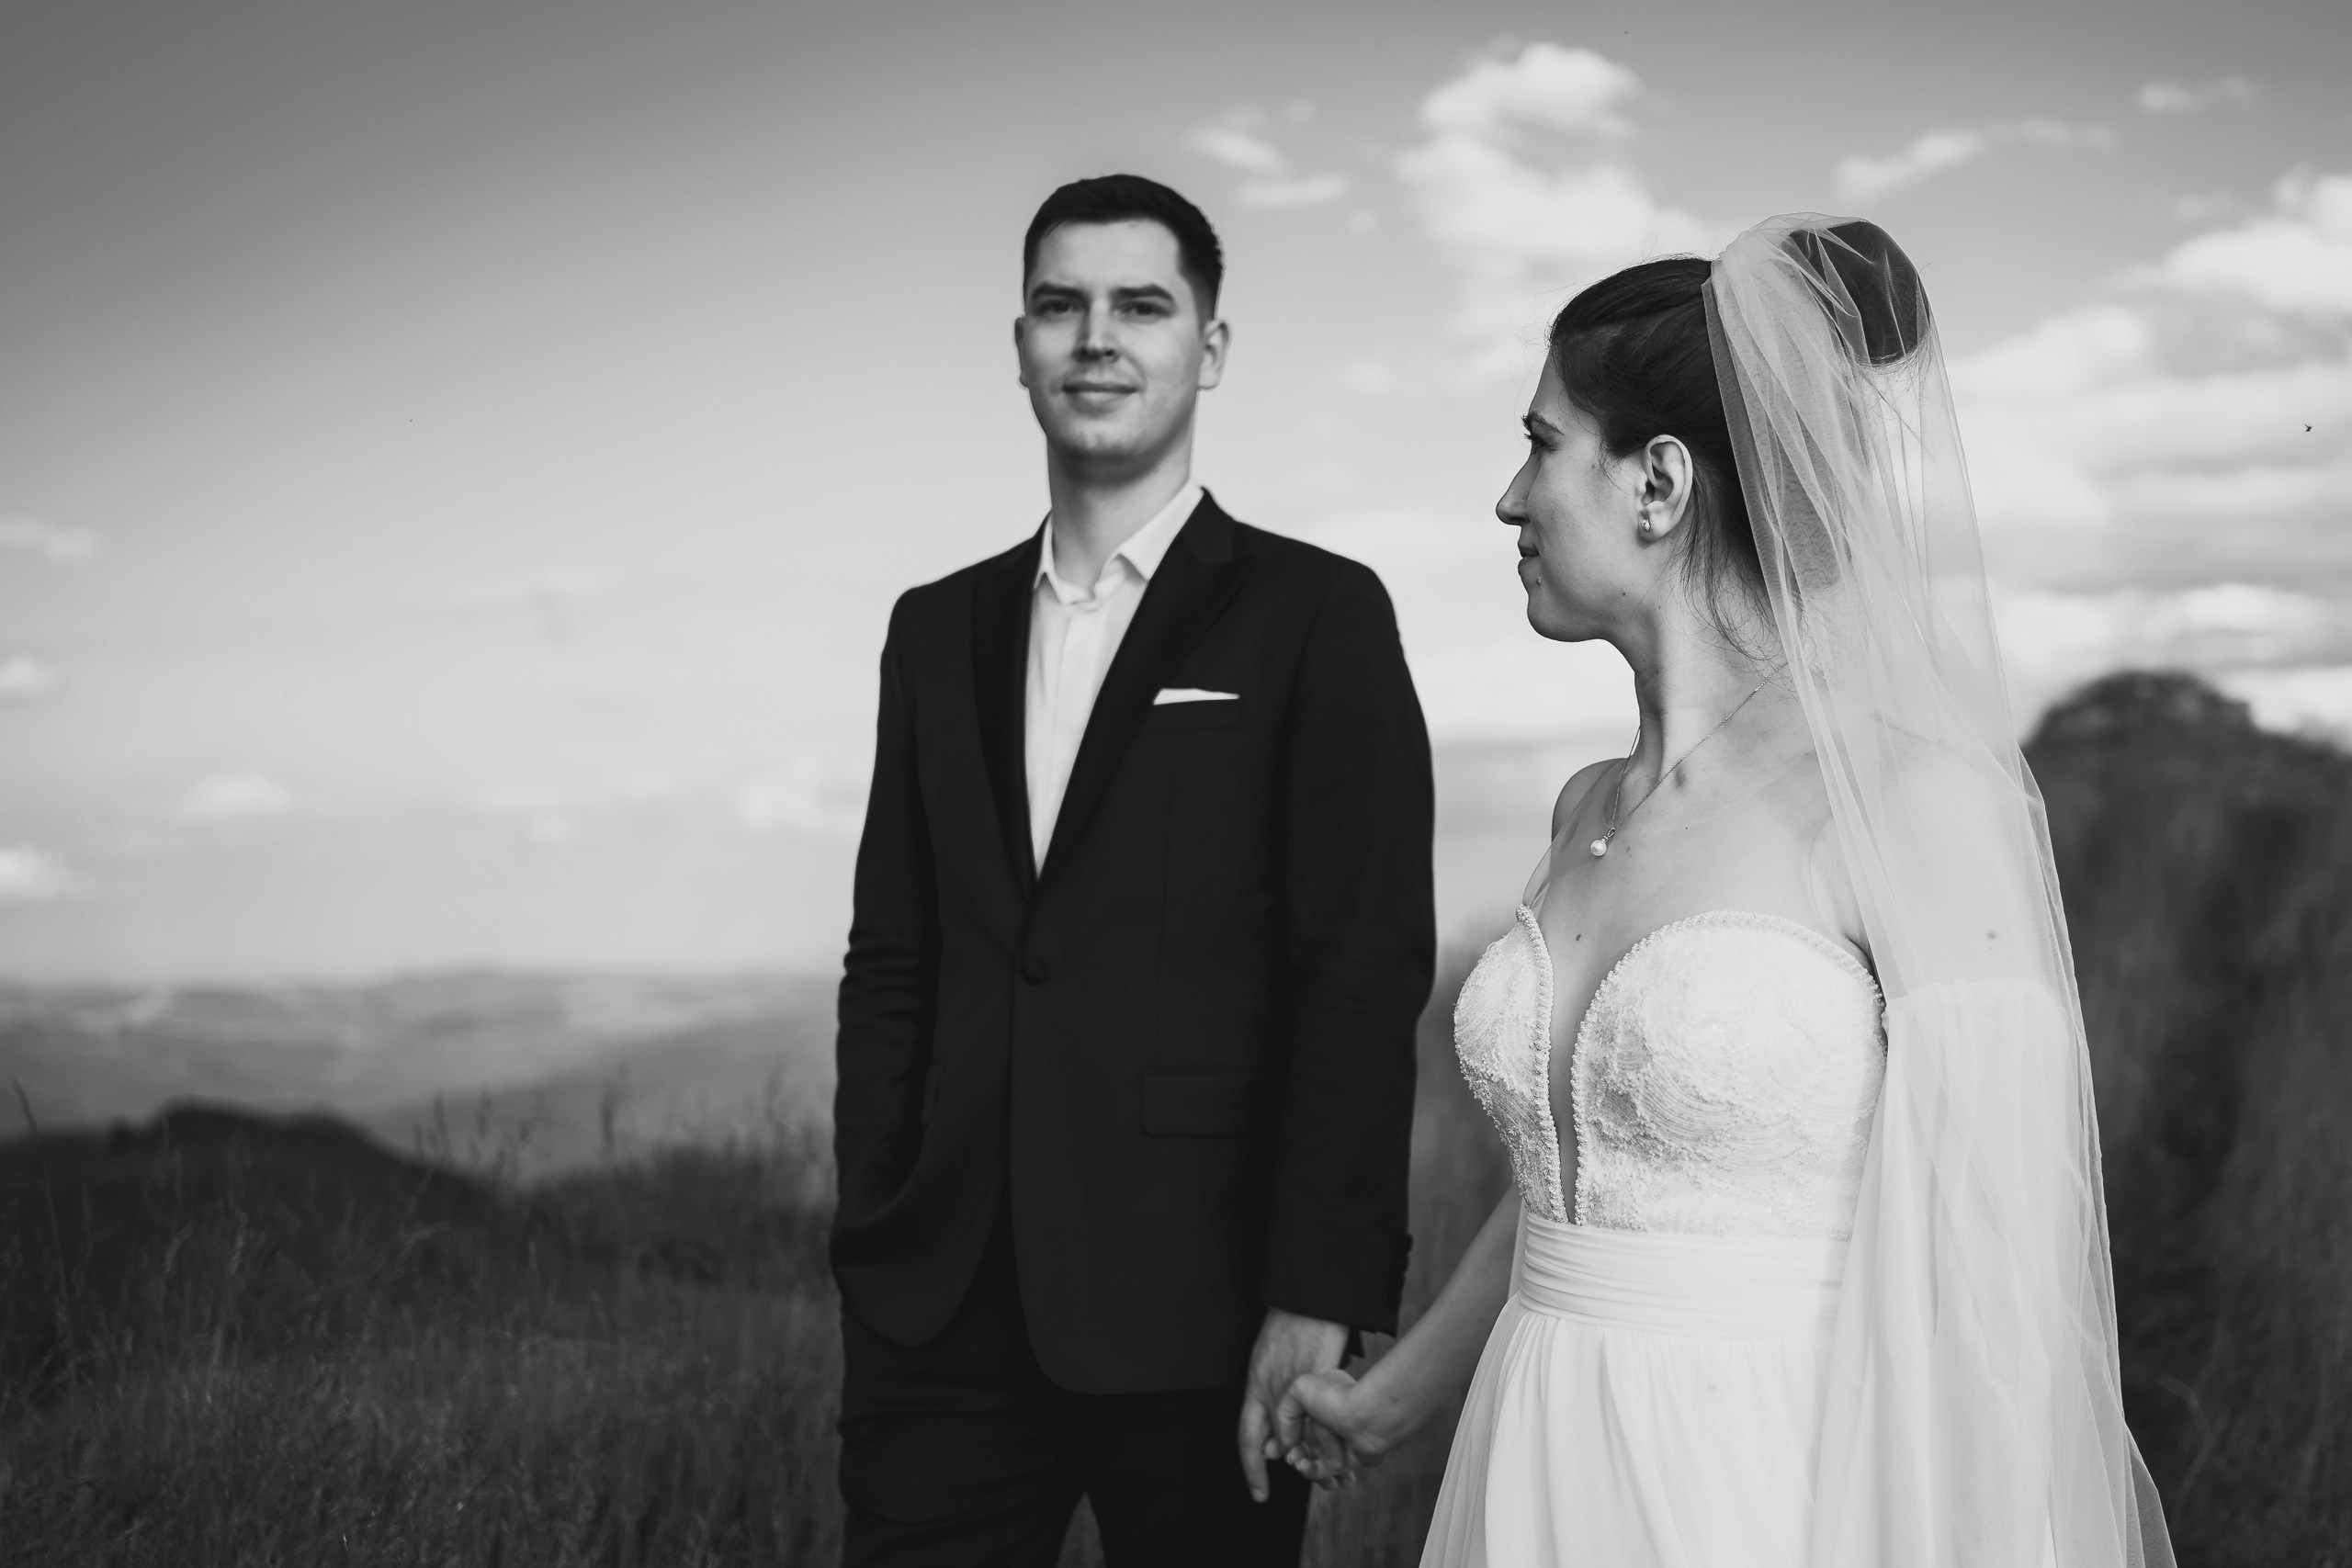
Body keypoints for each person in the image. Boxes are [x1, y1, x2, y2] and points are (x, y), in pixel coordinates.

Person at [1277, 216, 2177, 1568]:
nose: (1510, 501)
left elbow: (1999, 1276)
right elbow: (1586, 1174)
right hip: (1535, 1452)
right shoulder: (1587, 809)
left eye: (1538, 444)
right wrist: (1394, 1397)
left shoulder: (1909, 798)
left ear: (1658, 483)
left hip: (1767, 1474)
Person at [829, 173, 1435, 1566]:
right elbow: (895, 955)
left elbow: (1359, 971)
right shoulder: (934, 632)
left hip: (1210, 1310)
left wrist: (1318, 1292)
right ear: (1022, 343)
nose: (1096, 336)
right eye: (1061, 305)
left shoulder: (1317, 615)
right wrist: (876, 1211)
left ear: (1209, 348)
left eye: (1141, 305)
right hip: (942, 1310)